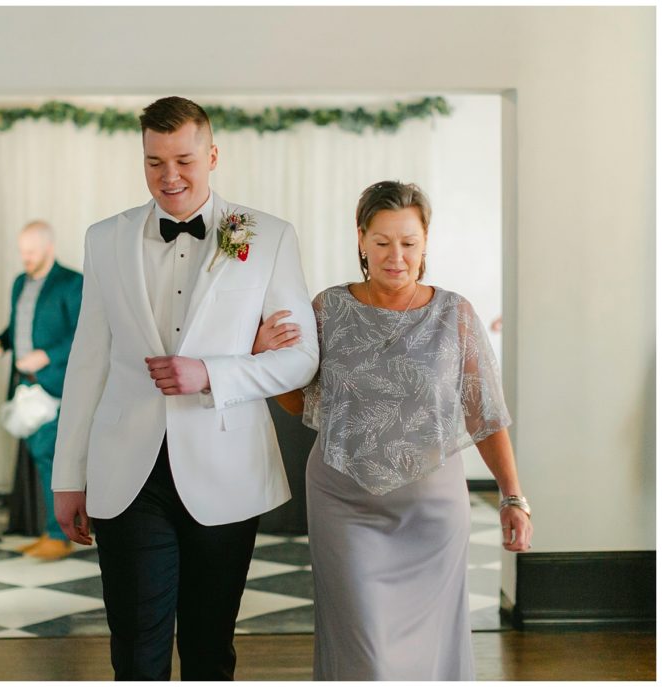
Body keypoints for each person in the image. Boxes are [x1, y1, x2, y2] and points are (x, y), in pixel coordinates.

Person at [51, 96, 319, 681]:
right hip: (128, 471)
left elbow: (302, 358)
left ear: (212, 155)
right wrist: (68, 476)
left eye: (183, 160)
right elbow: (87, 361)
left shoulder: (265, 236)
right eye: (153, 162)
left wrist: (214, 373)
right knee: (136, 645)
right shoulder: (105, 239)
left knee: (208, 644)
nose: (168, 177)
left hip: (225, 467)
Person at [258, 180, 533, 680]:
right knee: (365, 654)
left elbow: (484, 414)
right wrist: (264, 356)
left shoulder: (456, 314)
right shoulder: (327, 310)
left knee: (433, 656)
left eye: (408, 243)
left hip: (433, 515)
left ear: (425, 241)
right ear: (361, 239)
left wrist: (513, 497)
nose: (396, 256)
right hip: (345, 506)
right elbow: (298, 397)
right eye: (382, 242)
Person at [0, 221, 82, 560]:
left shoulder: (71, 283)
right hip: (27, 387)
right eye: (22, 251)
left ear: (49, 248)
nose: (25, 258)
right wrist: (1, 341)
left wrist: (47, 355)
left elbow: (85, 334)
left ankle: (59, 535)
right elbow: (18, 326)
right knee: (43, 459)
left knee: (52, 460)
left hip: (57, 386)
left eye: (32, 252)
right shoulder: (19, 283)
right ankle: (52, 532)